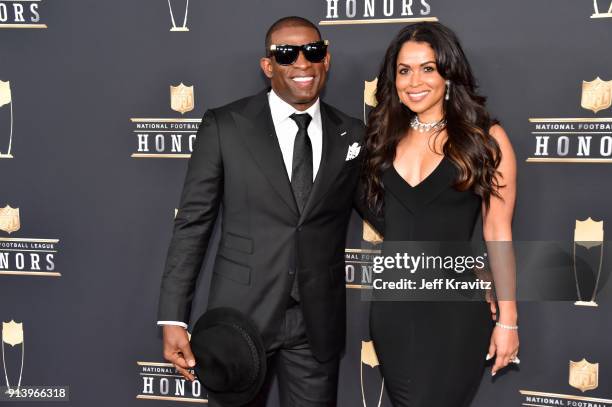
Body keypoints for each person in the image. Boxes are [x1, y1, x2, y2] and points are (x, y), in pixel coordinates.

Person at [156, 16, 364, 407]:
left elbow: (387, 211)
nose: (302, 63)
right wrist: (173, 316)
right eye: (286, 54)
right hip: (240, 318)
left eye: (313, 51)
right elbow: (192, 224)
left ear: (327, 60)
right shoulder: (226, 125)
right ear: (268, 66)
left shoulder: (352, 133)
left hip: (315, 322)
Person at [360, 22, 520, 406]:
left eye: (427, 68)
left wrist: (508, 320)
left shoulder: (485, 138)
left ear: (449, 73)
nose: (414, 80)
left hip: (455, 314)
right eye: (404, 70)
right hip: (392, 309)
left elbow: (498, 231)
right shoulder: (382, 137)